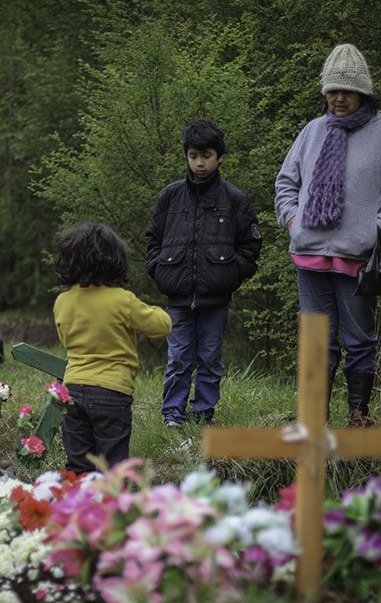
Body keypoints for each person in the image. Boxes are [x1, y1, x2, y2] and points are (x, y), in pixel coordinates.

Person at [274, 44, 381, 427]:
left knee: (359, 342)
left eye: (346, 90)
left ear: (363, 92)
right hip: (310, 257)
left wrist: (374, 232)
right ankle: (313, 420)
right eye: (332, 90)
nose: (338, 98)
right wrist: (293, 222)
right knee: (318, 344)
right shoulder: (312, 131)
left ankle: (358, 416)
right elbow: (286, 183)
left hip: (359, 260)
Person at [145, 119, 262, 427]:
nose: (199, 162)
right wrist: (159, 270)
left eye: (206, 155)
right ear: (186, 155)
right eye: (193, 155)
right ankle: (173, 415)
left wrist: (232, 274)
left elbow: (250, 246)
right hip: (178, 295)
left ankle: (203, 415)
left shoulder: (236, 200)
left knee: (210, 359)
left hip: (216, 297)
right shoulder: (169, 197)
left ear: (219, 157)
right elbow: (153, 239)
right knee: (179, 358)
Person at [53, 222, 172, 473]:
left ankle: (78, 508)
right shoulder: (122, 300)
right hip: (110, 392)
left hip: (71, 388)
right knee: (114, 469)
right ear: (114, 261)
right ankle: (115, 510)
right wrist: (157, 309)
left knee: (77, 465)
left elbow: (66, 341)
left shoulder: (62, 302)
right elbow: (161, 327)